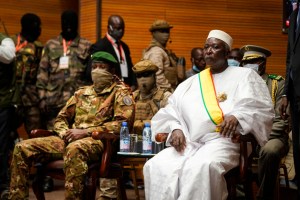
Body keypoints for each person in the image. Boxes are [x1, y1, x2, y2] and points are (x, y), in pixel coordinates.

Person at [143, 30, 274, 200]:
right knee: (156, 165)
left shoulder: (245, 76)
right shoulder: (190, 83)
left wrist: (237, 116)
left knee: (201, 167)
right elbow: (171, 111)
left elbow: (260, 107)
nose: (208, 51)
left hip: (225, 141)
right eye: (206, 47)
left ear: (227, 52)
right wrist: (176, 129)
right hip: (191, 142)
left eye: (215, 47)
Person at [8, 51, 135, 200]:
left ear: (112, 71)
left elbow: (122, 124)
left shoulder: (121, 93)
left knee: (75, 149)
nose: (97, 71)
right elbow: (61, 118)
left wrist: (86, 132)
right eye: (94, 67)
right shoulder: (82, 92)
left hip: (97, 141)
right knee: (22, 147)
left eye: (102, 67)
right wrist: (64, 133)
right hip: (69, 138)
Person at [240, 45, 289, 200]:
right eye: (246, 62)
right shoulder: (239, 84)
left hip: (272, 136)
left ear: (263, 62)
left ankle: (263, 196)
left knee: (270, 150)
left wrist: (260, 136)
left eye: (254, 61)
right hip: (245, 137)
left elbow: (282, 120)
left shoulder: (278, 83)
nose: (249, 65)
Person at [36, 10, 92, 131]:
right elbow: (42, 72)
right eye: (65, 22)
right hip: (54, 100)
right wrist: (42, 98)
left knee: (75, 135)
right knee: (53, 136)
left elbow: (90, 76)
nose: (68, 25)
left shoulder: (86, 45)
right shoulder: (51, 45)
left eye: (71, 23)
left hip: (78, 101)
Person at [10, 13, 43, 135]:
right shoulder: (11, 42)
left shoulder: (38, 47)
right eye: (36, 26)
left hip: (31, 95)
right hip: (11, 93)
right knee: (7, 130)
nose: (39, 29)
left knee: (35, 130)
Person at [280, 2, 300, 197]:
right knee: (298, 141)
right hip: (294, 93)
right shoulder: (294, 17)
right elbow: (289, 58)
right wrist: (285, 93)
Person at [88, 15, 137, 91]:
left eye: (122, 28)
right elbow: (91, 71)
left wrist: (133, 85)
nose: (120, 31)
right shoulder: (100, 46)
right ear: (109, 28)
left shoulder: (125, 47)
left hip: (126, 89)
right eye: (117, 28)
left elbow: (130, 68)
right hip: (109, 89)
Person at [132, 59, 172, 136]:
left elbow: (171, 122)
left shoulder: (165, 97)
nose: (142, 79)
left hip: (156, 142)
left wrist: (144, 124)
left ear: (154, 76)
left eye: (146, 75)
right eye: (139, 76)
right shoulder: (132, 97)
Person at [143, 19, 185, 91]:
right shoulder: (156, 52)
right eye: (162, 31)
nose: (166, 34)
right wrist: (170, 91)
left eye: (167, 31)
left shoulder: (163, 50)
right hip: (161, 93)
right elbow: (158, 77)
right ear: (154, 33)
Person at [0, 33, 16, 200]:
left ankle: (3, 185)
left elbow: (8, 56)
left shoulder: (5, 41)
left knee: (2, 147)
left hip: (2, 104)